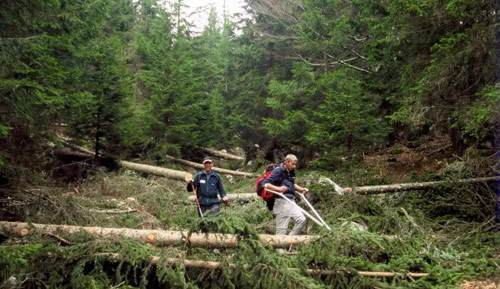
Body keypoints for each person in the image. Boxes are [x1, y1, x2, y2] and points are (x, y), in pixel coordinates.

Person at [260, 154, 309, 235]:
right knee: (281, 230)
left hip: (291, 201)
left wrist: (301, 189)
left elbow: (292, 183)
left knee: (301, 219)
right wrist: (279, 189)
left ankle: (288, 242)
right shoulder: (278, 171)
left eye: (295, 164)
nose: (294, 166)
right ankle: (280, 247)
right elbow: (265, 184)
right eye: (293, 164)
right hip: (281, 202)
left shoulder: (291, 171)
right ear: (286, 162)